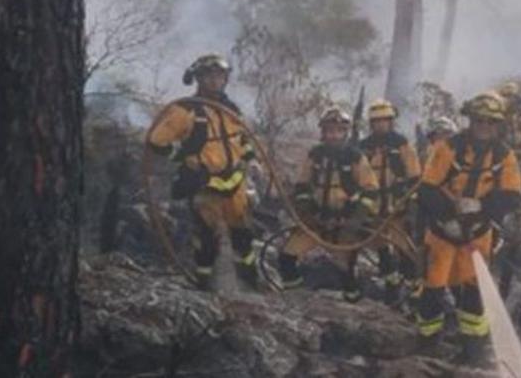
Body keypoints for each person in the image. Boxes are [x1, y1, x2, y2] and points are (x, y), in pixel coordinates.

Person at [416, 92, 521, 363]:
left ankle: (472, 349)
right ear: (470, 120)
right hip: (442, 232)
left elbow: (512, 195)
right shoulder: (448, 148)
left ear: (498, 124)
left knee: (474, 291)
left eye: (490, 121)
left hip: (477, 234)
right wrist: (448, 217)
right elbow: (427, 188)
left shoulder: (504, 155)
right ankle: (427, 343)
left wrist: (481, 205)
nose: (484, 126)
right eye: (479, 120)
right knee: (433, 287)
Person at [147, 54, 258, 291]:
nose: (215, 81)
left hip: (235, 182)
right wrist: (182, 157)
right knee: (206, 237)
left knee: (242, 233)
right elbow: (157, 141)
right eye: (209, 76)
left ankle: (249, 281)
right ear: (198, 78)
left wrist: (250, 159)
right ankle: (204, 284)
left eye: (219, 76)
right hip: (205, 184)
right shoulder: (185, 110)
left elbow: (243, 139)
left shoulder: (230, 109)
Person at [278, 105, 378, 302]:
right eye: (330, 131)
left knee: (346, 269)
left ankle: (353, 305)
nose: (334, 135)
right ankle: (295, 299)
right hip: (316, 221)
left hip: (344, 223)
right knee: (286, 257)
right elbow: (302, 187)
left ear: (346, 133)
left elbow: (370, 190)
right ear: (323, 132)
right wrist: (307, 214)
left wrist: (355, 220)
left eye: (339, 131)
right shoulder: (315, 155)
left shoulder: (356, 157)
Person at [356, 99, 421, 305]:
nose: (380, 124)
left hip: (397, 206)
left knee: (404, 248)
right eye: (376, 121)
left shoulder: (401, 144)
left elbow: (414, 177)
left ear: (391, 121)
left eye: (384, 120)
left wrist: (411, 203)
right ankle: (392, 288)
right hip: (374, 208)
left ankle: (412, 290)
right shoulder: (363, 147)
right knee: (382, 248)